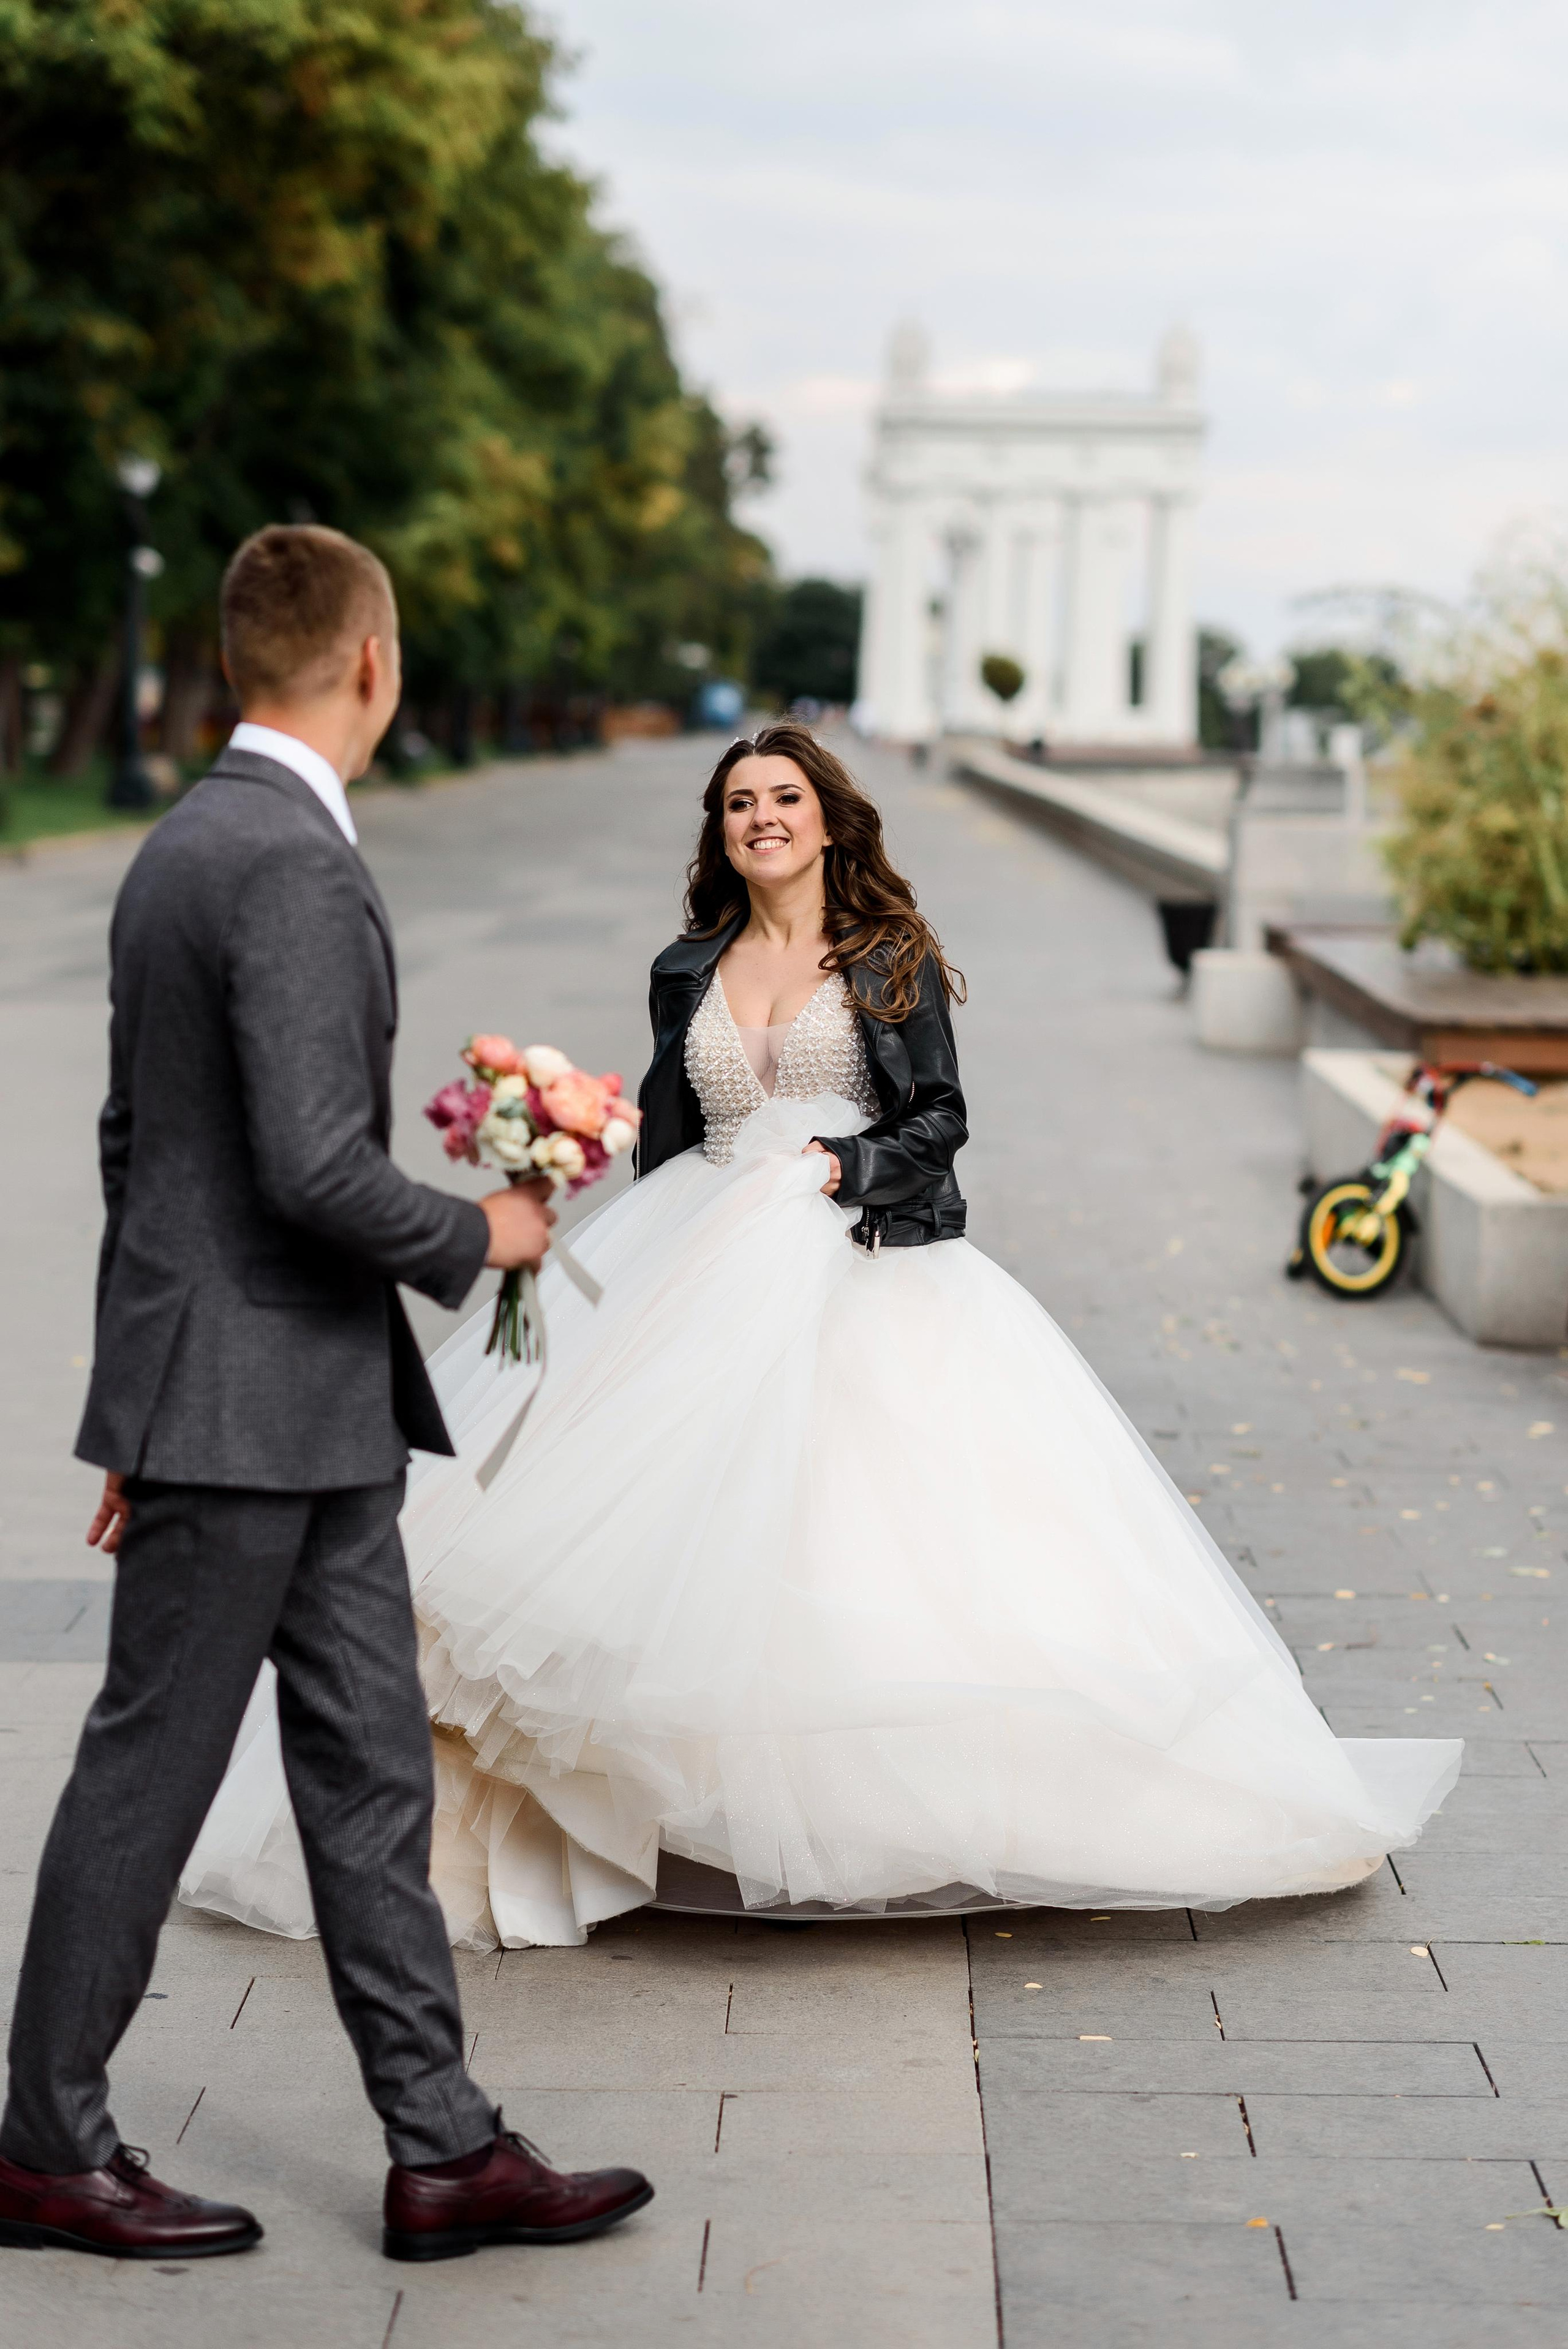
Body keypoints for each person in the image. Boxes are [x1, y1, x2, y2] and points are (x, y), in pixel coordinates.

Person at [179, 720, 1462, 1954]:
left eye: (782, 800)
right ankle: (635, 1817)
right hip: (691, 1254)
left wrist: (844, 1165)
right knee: (606, 1528)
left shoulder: (889, 953)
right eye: (739, 805)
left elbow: (942, 1118)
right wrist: (574, 1172)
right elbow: (672, 1139)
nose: (761, 819)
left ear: (828, 821)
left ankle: (852, 1815)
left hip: (857, 1260)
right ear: (720, 834)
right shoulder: (684, 968)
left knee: (853, 1536)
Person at [0, 526, 652, 2262]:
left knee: (370, 1779)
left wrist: (139, 1395)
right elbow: (299, 1168)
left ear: (233, 662)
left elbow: (139, 1151)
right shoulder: (286, 860)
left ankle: (444, 2149)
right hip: (251, 1415)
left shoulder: (177, 848)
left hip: (299, 1418)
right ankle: (46, 2145)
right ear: (371, 661)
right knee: (148, 1776)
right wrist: (489, 1230)